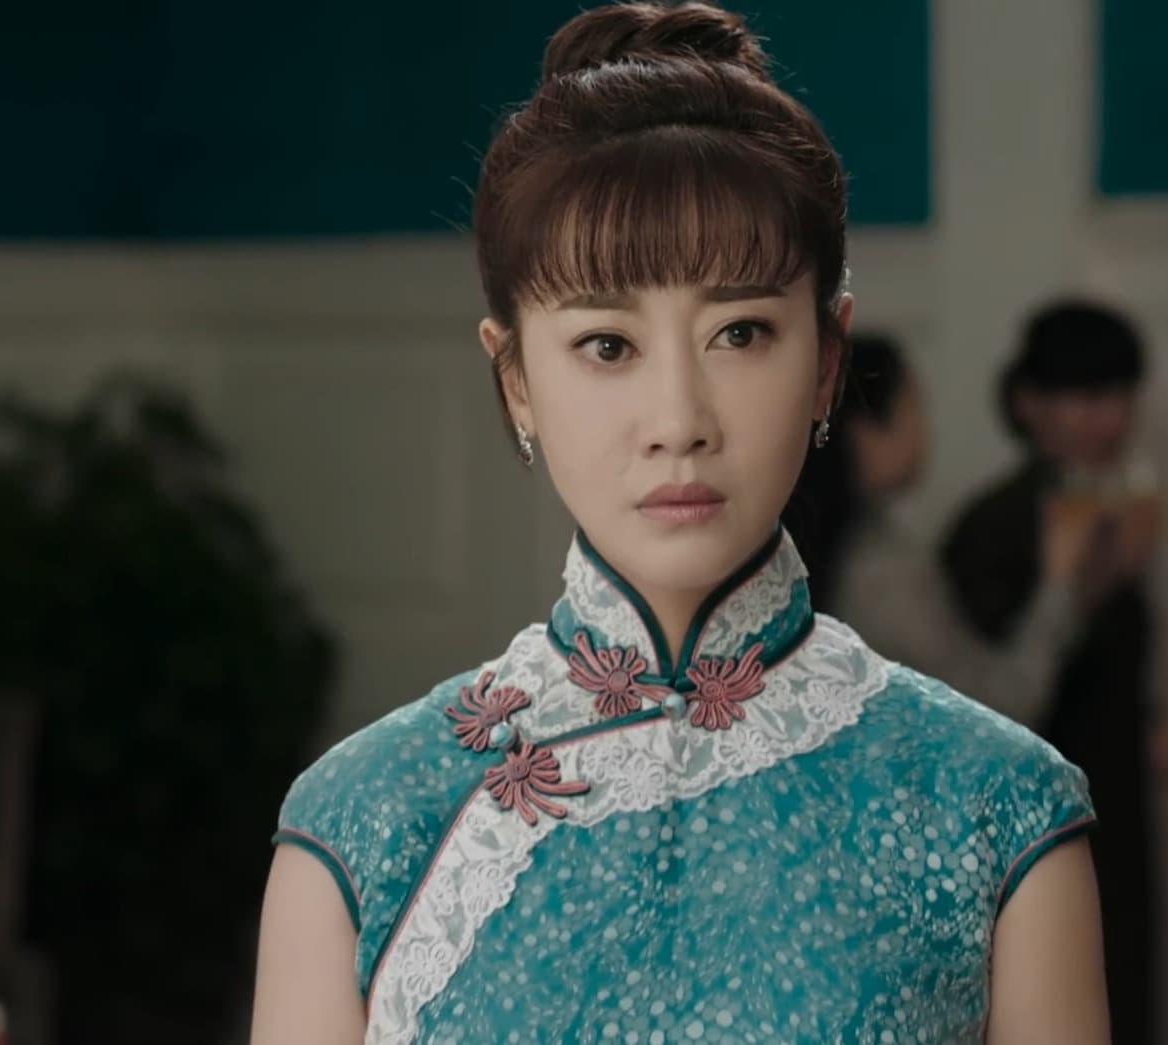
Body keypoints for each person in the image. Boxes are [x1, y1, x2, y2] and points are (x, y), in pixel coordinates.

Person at [248, 5, 1110, 1042]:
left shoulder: (995, 807)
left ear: (826, 360)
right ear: (514, 379)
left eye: (738, 332)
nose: (678, 421)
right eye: (607, 346)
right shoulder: (362, 824)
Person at [940, 300, 1168, 1045]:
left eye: (1119, 396)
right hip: (1041, 829)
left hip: (1114, 806)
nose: (1107, 420)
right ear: (1029, 403)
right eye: (1084, 397)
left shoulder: (1105, 513)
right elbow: (987, 700)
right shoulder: (998, 524)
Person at [785, 333, 1117, 726]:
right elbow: (994, 707)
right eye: (914, 408)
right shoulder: (878, 568)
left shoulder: (808, 540)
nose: (926, 429)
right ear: (865, 432)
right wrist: (1059, 580)